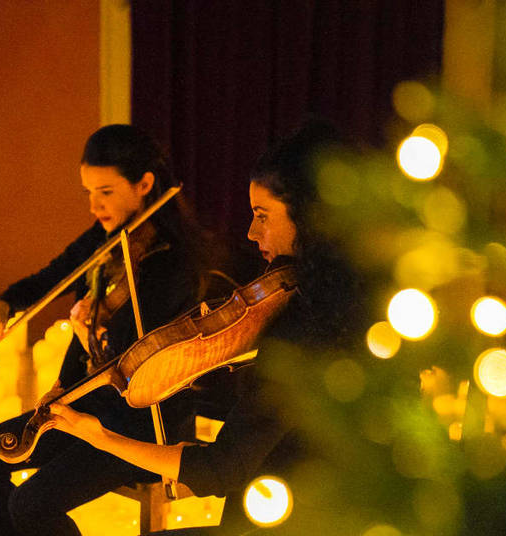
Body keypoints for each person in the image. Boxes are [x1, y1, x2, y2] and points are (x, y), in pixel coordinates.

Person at [47, 122, 364, 535]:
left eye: (262, 216)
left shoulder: (300, 333)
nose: (251, 232)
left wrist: (99, 436)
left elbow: (223, 468)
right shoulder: (355, 305)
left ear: (310, 218)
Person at [0, 124, 202, 535]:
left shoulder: (170, 262)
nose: (94, 206)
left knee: (31, 505)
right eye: (89, 192)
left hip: (142, 427)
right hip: (86, 408)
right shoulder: (104, 238)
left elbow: (129, 364)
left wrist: (86, 332)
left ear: (145, 184)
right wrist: (1, 303)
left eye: (105, 192)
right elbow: (48, 278)